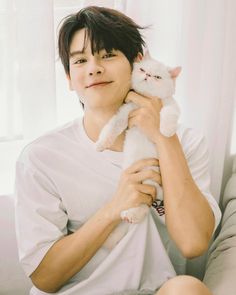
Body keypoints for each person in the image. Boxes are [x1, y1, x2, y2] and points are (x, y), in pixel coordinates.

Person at [15, 5, 222, 295]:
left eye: (107, 54)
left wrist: (164, 140)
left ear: (137, 62)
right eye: (80, 61)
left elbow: (193, 243)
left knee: (188, 288)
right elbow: (45, 277)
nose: (93, 68)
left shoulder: (187, 143)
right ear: (69, 78)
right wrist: (115, 207)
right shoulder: (41, 158)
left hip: (155, 290)